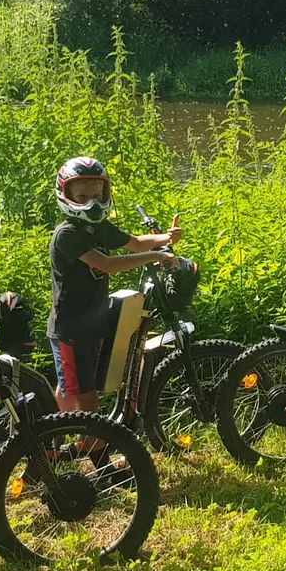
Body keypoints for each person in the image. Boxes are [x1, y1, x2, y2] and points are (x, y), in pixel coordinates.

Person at [48, 157, 180, 414]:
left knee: (71, 386)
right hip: (70, 328)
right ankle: (96, 451)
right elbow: (107, 264)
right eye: (83, 196)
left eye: (98, 195)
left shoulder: (98, 227)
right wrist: (157, 256)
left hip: (90, 322)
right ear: (66, 195)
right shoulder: (68, 234)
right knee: (86, 398)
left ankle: (57, 439)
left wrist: (166, 237)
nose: (92, 202)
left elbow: (136, 242)